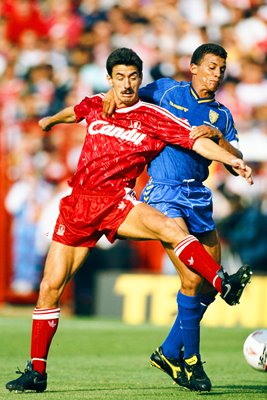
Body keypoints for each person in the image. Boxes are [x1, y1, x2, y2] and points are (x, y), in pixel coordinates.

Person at [5, 47, 253, 394]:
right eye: (120, 77)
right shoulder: (97, 103)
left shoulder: (155, 116)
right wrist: (49, 121)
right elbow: (73, 112)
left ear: (141, 79)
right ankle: (37, 372)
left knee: (169, 228)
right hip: (78, 205)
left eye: (133, 77)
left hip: (117, 202)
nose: (127, 84)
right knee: (49, 288)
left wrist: (234, 160)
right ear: (110, 79)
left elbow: (198, 144)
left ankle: (220, 280)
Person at [102, 43, 253, 392]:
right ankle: (191, 363)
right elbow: (127, 91)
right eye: (211, 67)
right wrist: (106, 98)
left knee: (207, 289)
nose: (216, 75)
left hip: (199, 197)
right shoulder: (166, 89)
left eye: (221, 69)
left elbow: (234, 158)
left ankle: (168, 351)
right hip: (165, 192)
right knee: (191, 277)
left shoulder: (222, 115)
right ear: (194, 67)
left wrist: (220, 139)